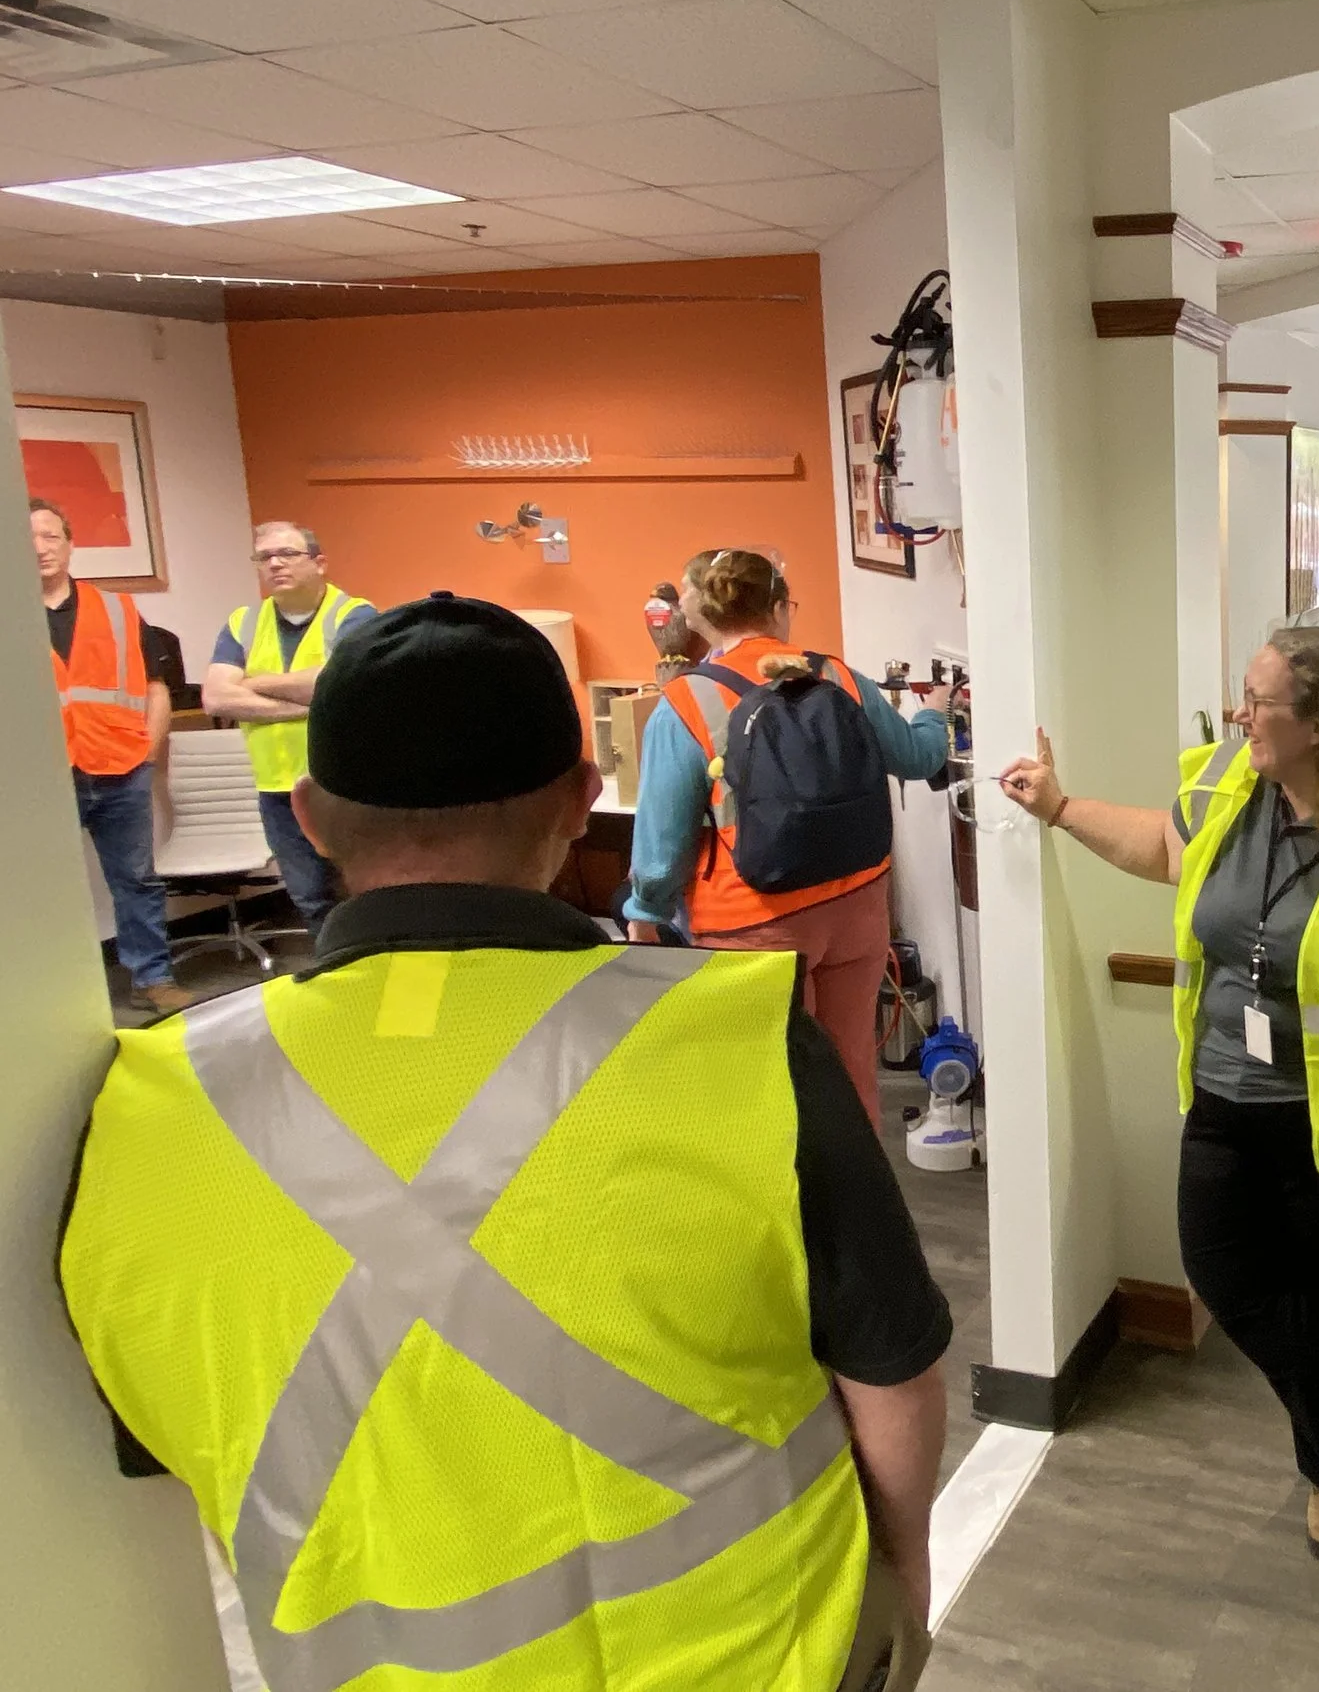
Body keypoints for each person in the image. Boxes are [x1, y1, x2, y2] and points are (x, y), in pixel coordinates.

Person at [59, 593, 951, 1692]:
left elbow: (164, 1435)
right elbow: (891, 1373)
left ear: (312, 816)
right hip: (765, 1650)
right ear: (580, 803)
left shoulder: (151, 1096)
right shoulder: (736, 1036)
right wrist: (904, 1566)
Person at [1000, 627, 1319, 1566]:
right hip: (1228, 1095)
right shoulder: (1223, 786)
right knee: (1229, 1271)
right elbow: (1163, 848)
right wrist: (1062, 807)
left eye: (1258, 699)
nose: (1240, 714)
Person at [624, 547, 953, 1120]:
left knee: (765, 1086)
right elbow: (920, 758)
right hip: (857, 905)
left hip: (753, 921)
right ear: (778, 609)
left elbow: (661, 848)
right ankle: (857, 1201)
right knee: (851, 1071)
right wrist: (935, 710)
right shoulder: (837, 675)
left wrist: (644, 914)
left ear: (702, 618)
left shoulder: (686, 702)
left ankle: (784, 1207)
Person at [32, 497, 188, 1016]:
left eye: (50, 536)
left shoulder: (118, 609)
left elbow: (155, 689)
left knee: (136, 880)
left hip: (121, 770)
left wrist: (146, 753)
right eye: (26, 538)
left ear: (70, 544)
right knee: (40, 888)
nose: (39, 549)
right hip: (41, 781)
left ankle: (154, 978)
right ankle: (49, 993)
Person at [203, 520, 374, 939]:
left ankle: (376, 969)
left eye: (287, 554)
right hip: (276, 788)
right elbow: (216, 698)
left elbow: (335, 682)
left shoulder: (353, 614)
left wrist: (251, 682)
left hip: (340, 783)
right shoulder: (244, 622)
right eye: (265, 557)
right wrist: (305, 704)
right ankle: (332, 977)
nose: (275, 564)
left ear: (319, 563)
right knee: (309, 896)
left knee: (359, 889)